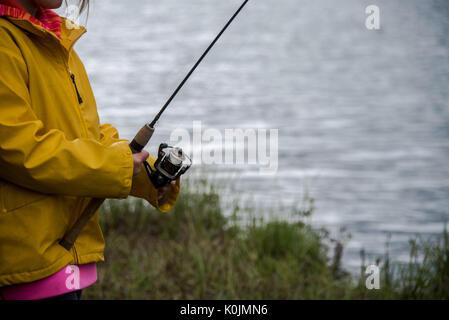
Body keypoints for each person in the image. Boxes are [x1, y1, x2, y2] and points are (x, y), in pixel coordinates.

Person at [0, 0, 180, 300]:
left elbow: (87, 134)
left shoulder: (54, 37)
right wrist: (115, 167)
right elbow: (21, 149)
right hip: (26, 267)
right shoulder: (6, 42)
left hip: (62, 263)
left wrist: (145, 177)